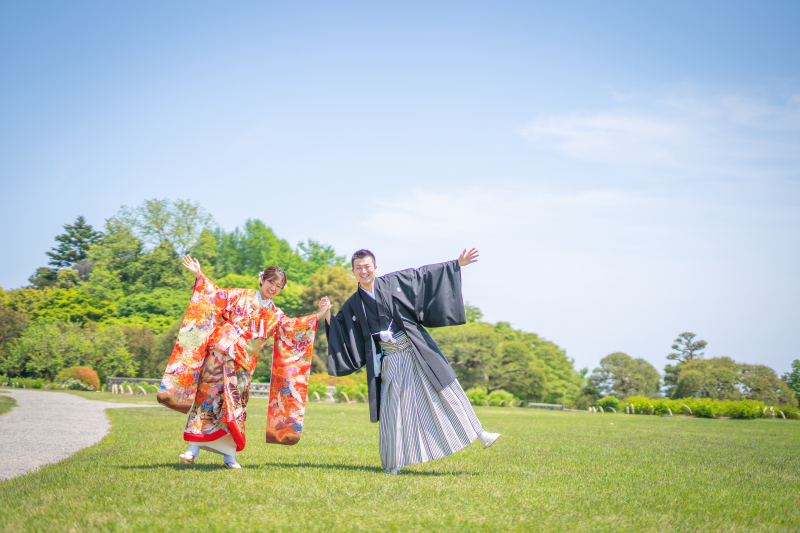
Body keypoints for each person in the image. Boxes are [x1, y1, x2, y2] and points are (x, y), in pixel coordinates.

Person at [320, 248, 500, 474]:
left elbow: (423, 275)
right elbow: (342, 329)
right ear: (353, 271)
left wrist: (457, 264)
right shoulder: (354, 303)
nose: (363, 271)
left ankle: (480, 433)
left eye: (367, 266)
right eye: (358, 268)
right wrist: (327, 315)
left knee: (447, 391)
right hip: (391, 357)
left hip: (415, 349)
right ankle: (394, 462)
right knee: (393, 409)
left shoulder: (395, 281)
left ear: (375, 268)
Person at [157, 256, 332, 469]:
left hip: (243, 365)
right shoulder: (241, 295)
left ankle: (229, 456)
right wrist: (198, 275)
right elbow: (215, 295)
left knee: (234, 407)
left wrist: (319, 314)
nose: (273, 288)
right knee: (206, 400)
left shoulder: (276, 314)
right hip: (220, 356)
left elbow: (293, 327)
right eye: (271, 283)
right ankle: (192, 450)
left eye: (279, 286)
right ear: (262, 279)